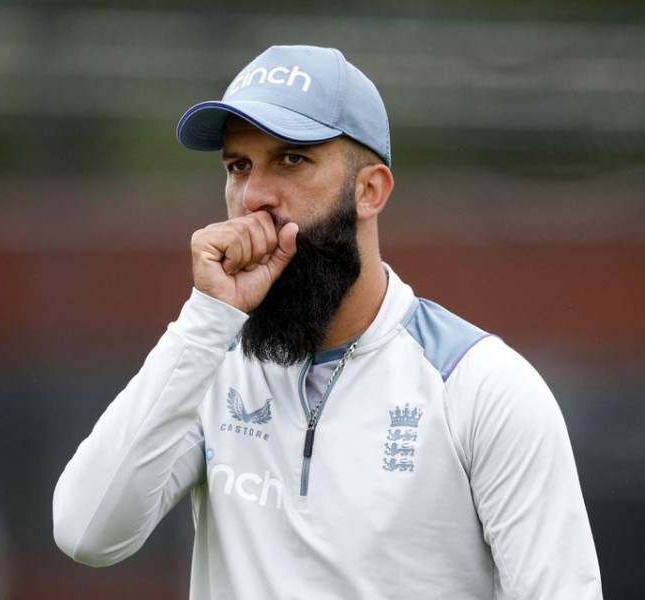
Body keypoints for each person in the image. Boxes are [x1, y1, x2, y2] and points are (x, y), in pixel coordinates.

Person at [53, 45, 602, 599]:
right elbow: (87, 533)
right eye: (238, 166)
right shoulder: (207, 359)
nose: (254, 197)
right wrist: (205, 318)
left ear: (370, 191)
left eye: (292, 159)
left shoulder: (482, 387)